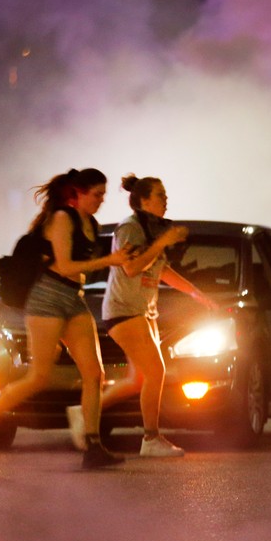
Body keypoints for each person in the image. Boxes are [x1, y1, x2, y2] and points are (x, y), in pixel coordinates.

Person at [0, 168, 133, 469]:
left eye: (103, 195)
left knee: (94, 374)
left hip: (73, 299)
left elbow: (82, 270)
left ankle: (93, 446)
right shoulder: (62, 218)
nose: (101, 200)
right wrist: (112, 260)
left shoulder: (91, 223)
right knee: (39, 376)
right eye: (96, 194)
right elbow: (67, 266)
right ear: (78, 193)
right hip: (47, 298)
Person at [66, 174, 219, 457]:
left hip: (143, 311)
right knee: (156, 372)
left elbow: (161, 270)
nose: (166, 200)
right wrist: (163, 242)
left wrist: (197, 294)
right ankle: (151, 439)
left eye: (165, 195)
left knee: (138, 380)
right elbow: (132, 268)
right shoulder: (130, 228)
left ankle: (83, 412)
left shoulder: (151, 229)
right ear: (144, 200)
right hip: (124, 310)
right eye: (160, 195)